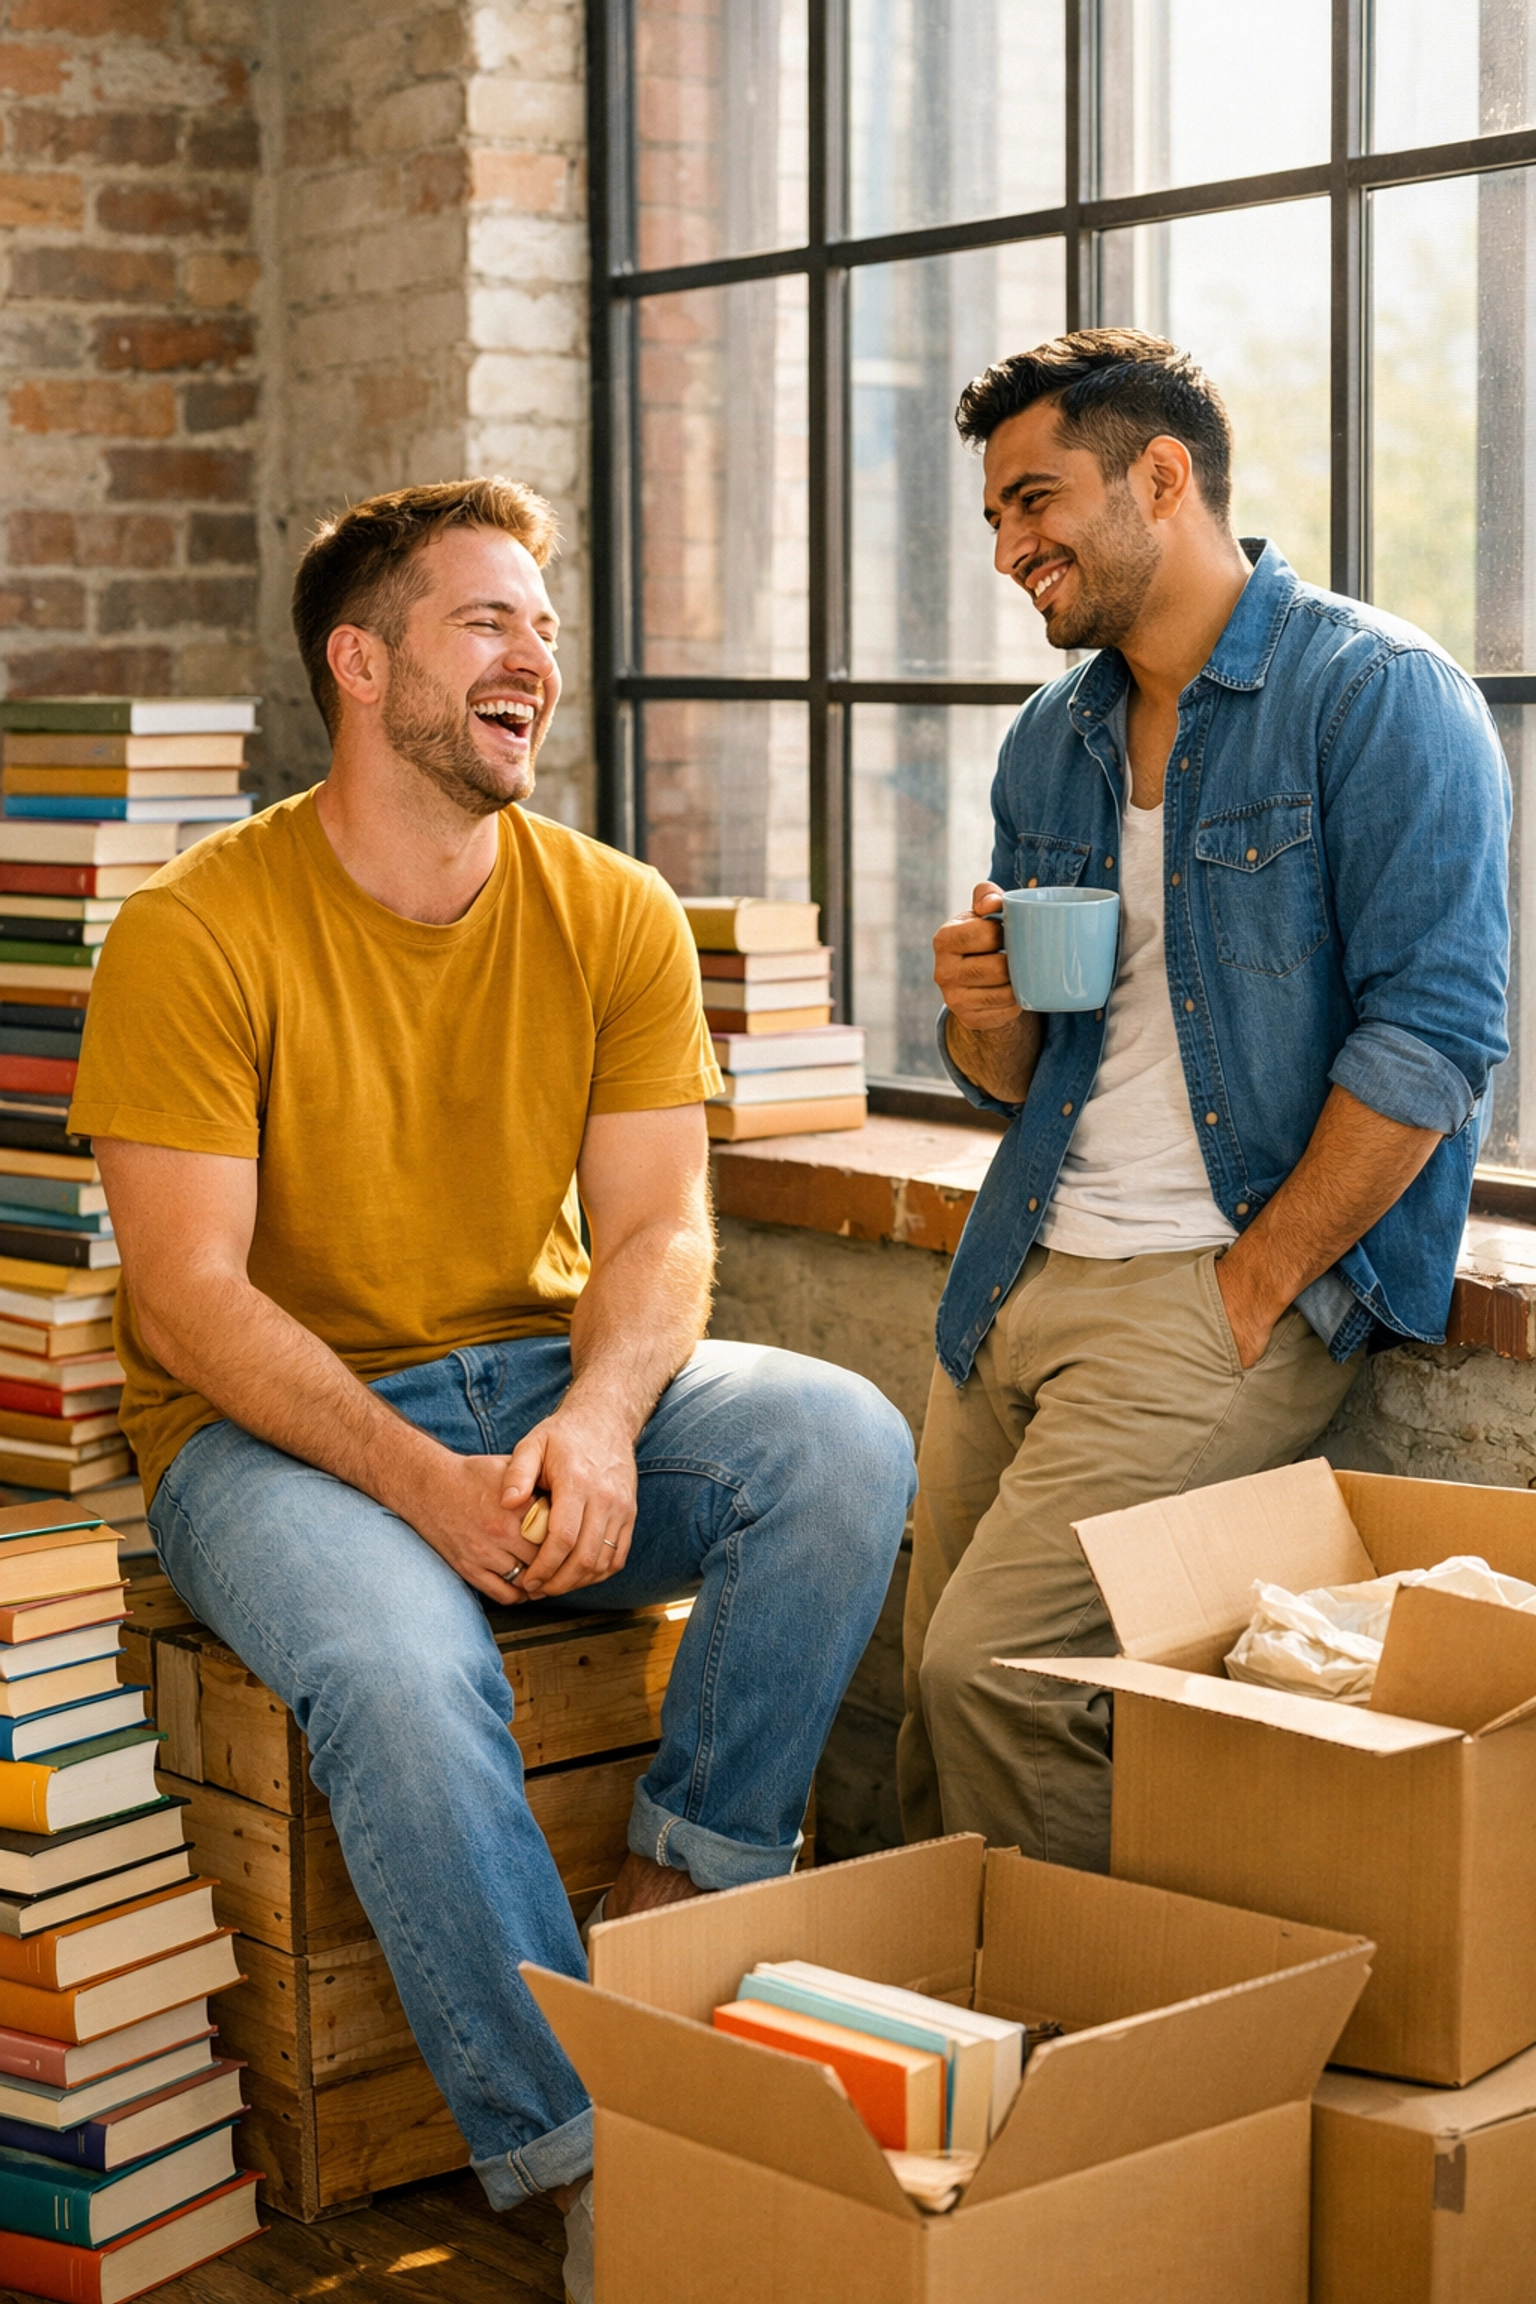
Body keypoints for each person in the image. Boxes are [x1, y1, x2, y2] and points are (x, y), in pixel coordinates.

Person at [70, 478, 915, 2301]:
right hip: (266, 1433)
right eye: (487, 621)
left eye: (544, 622)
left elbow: (663, 1227)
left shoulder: (607, 911)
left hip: (537, 1377)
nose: (537, 652)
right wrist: (420, 1486)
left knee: (839, 1438)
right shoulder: (194, 931)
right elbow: (193, 1305)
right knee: (395, 1664)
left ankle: (679, 1897)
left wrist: (600, 1417)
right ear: (363, 668)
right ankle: (597, 2155)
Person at [899, 328, 1510, 1872]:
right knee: (924, 1702)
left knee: (996, 1678)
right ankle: (939, 2064)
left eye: (1035, 501)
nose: (1008, 548)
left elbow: (1433, 1036)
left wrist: (1261, 1285)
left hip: (1211, 1292)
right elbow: (1030, 1076)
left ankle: (1121, 2066)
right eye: (992, 518)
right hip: (1017, 1278)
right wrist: (981, 1019)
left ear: (1160, 478)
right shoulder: (1056, 738)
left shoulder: (1376, 695)